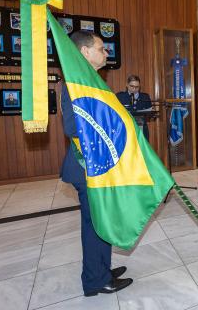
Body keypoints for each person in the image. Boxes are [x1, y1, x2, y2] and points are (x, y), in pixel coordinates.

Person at [60, 30, 132, 297]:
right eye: (101, 48)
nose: (106, 52)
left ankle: (102, 269)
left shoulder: (90, 79)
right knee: (94, 225)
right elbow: (71, 126)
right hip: (85, 166)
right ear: (85, 52)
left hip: (98, 167)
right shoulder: (74, 81)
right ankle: (94, 281)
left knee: (102, 221)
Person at [116, 75, 152, 141]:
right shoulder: (120, 97)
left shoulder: (145, 97)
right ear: (127, 85)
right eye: (132, 86)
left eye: (137, 87)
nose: (134, 89)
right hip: (125, 128)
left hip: (141, 128)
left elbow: (150, 112)